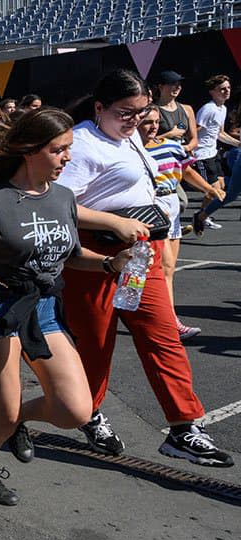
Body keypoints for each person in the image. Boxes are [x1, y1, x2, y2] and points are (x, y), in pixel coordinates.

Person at [0, 107, 146, 505]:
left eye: (68, 149)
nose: (67, 159)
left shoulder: (62, 198)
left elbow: (72, 254)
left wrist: (111, 264)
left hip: (45, 311)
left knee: (76, 410)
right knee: (0, 415)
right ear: (29, 151)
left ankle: (18, 421)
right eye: (59, 150)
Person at [59, 69, 232, 467]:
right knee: (95, 346)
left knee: (163, 335)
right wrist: (114, 223)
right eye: (126, 112)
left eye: (141, 112)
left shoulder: (130, 135)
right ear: (100, 107)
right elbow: (59, 204)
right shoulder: (82, 144)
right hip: (95, 258)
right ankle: (90, 414)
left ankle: (184, 427)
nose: (136, 120)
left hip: (139, 253)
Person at [138, 106, 225, 339]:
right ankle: (168, 322)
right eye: (147, 122)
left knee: (167, 270)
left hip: (172, 206)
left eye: (156, 122)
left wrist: (208, 189)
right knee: (157, 267)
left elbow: (185, 171)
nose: (153, 126)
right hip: (149, 209)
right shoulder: (129, 150)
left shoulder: (171, 146)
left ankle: (161, 318)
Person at [191, 74, 241, 235]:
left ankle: (202, 215)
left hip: (213, 153)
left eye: (228, 88)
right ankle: (201, 216)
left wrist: (239, 144)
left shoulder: (223, 108)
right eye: (222, 89)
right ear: (213, 91)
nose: (226, 91)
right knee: (214, 190)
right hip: (202, 155)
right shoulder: (208, 109)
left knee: (221, 190)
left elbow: (220, 134)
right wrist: (187, 146)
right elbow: (195, 130)